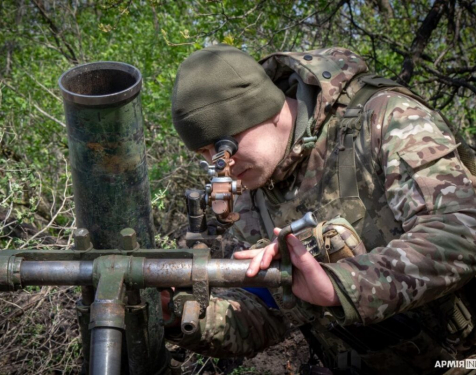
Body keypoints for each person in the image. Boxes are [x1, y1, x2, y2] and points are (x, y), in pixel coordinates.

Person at [166, 44, 476, 374]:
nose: (223, 168)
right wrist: (175, 314)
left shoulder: (385, 118)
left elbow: (461, 231)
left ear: (263, 110)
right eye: (205, 154)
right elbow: (268, 312)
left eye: (225, 147)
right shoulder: (251, 195)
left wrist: (342, 285)